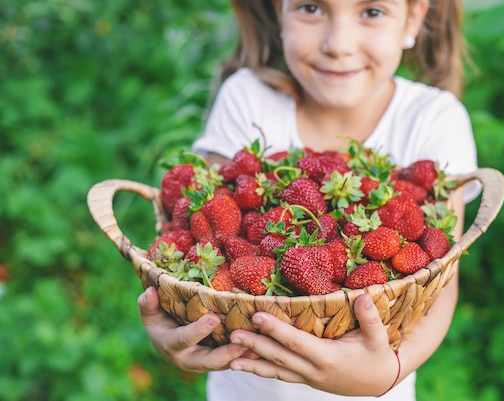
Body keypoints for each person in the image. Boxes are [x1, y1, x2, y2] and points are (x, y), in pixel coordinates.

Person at [137, 0, 480, 399]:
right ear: (277, 12)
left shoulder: (434, 117)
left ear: (414, 18)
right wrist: (176, 322)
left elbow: (440, 279)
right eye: (311, 7)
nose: (339, 44)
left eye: (371, 11)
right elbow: (200, 236)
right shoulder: (247, 98)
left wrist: (390, 370)